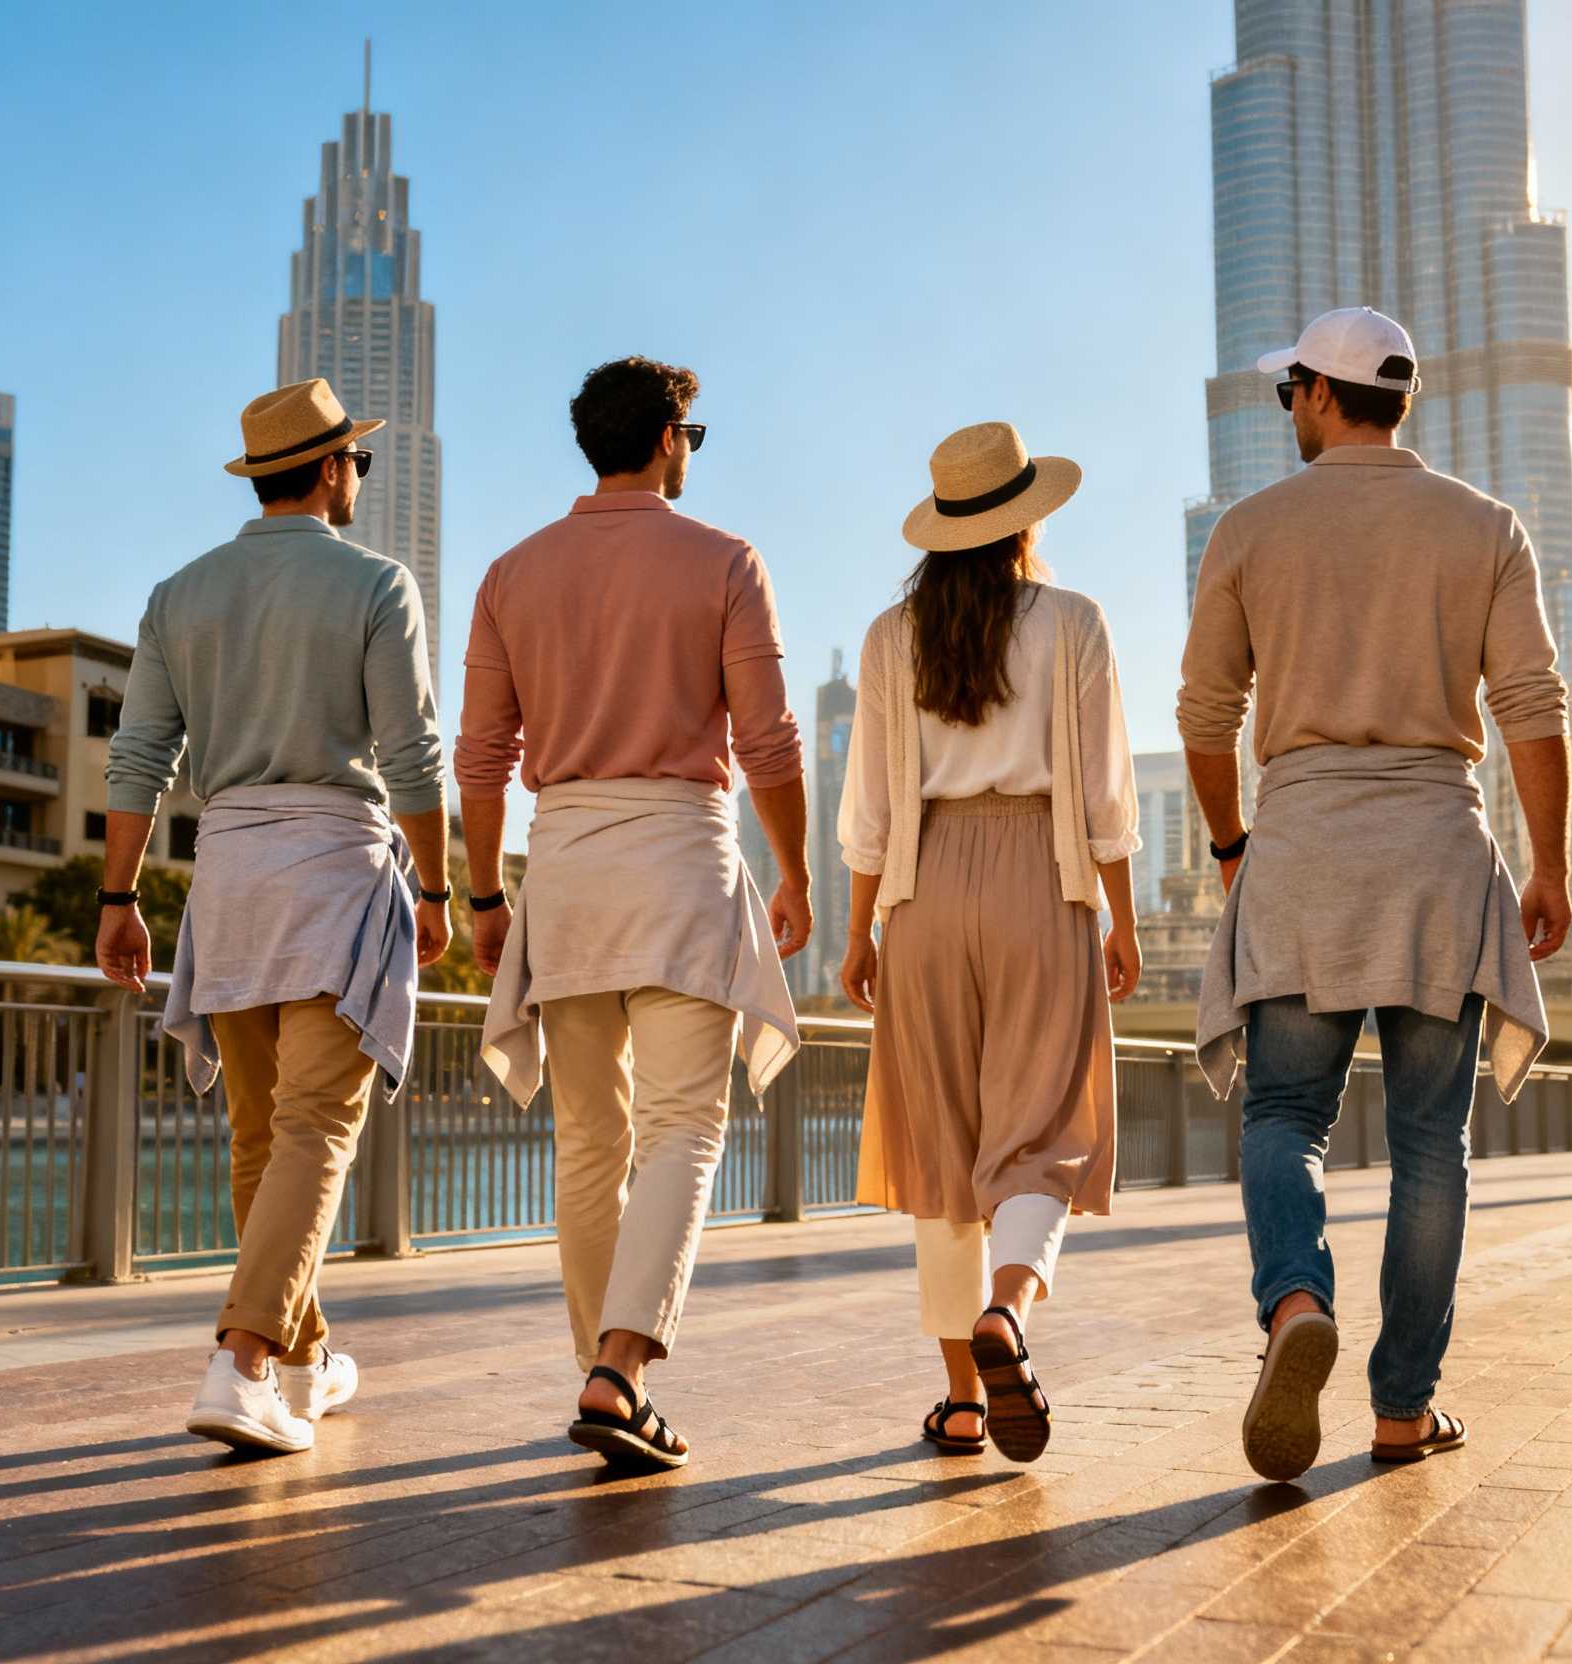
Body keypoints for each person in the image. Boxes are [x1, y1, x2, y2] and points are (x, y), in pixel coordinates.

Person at [1177, 306, 1570, 1482]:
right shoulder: (1483, 526)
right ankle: (1401, 1409)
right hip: (1437, 857)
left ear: (1313, 392)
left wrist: (1233, 845)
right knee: (1427, 1143)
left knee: (1286, 1116)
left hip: (1301, 852)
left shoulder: (1250, 528)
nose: (1282, 409)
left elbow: (1204, 717)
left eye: (1284, 391)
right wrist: (1549, 862)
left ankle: (1296, 1300)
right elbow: (1532, 706)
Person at [459, 356, 809, 1472]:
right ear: (668, 438)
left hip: (560, 864)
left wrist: (480, 893)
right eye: (692, 435)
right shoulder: (723, 561)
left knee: (587, 1136)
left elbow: (480, 758)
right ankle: (620, 1367)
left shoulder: (513, 573)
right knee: (680, 1128)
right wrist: (795, 870)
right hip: (678, 861)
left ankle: (599, 1368)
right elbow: (768, 743)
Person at [100, 378, 451, 1454]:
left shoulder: (179, 595)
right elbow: (411, 753)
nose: (360, 478)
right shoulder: (376, 583)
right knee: (315, 1126)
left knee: (261, 1134)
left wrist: (119, 896)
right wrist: (436, 889)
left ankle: (305, 1355)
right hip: (335, 872)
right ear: (336, 467)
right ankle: (240, 1360)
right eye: (360, 463)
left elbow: (140, 757)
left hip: (228, 873)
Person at [836, 422, 1142, 1464]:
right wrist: (1122, 917)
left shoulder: (889, 636)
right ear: (1026, 517)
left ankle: (963, 1400)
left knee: (943, 1146)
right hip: (1040, 876)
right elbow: (1104, 795)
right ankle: (1009, 1308)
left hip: (919, 892)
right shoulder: (1073, 621)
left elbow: (871, 808)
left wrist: (860, 929)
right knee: (1042, 1125)